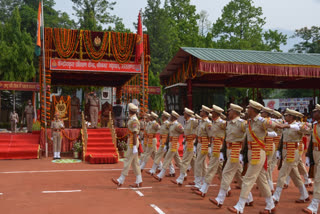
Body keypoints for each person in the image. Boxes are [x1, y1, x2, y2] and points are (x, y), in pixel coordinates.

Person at [229, 100, 281, 214]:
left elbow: (276, 125)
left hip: (258, 153)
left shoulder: (262, 121)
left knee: (248, 179)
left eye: (248, 108)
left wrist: (287, 125)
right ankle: (270, 205)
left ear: (253, 110)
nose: (247, 110)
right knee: (261, 180)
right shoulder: (249, 122)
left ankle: (240, 206)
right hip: (250, 153)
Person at [209, 104, 250, 206]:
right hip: (229, 150)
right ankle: (249, 198)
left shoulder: (242, 123)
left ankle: (220, 199)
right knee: (239, 174)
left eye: (230, 110)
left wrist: (242, 153)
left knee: (226, 173)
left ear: (235, 112)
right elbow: (226, 139)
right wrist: (223, 152)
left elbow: (249, 136)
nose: (228, 112)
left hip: (236, 151)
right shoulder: (229, 124)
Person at [273, 108, 310, 206]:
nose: (285, 116)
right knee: (295, 175)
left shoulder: (299, 125)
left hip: (293, 152)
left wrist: (288, 125)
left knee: (282, 173)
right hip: (286, 151)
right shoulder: (286, 125)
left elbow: (306, 129)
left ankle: (275, 197)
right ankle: (304, 195)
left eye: (287, 115)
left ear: (292, 117)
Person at [193, 104, 225, 197]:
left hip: (215, 146)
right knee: (217, 167)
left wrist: (211, 147)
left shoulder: (218, 123)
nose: (200, 112)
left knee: (211, 167)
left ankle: (201, 187)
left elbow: (212, 136)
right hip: (209, 145)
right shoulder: (212, 123)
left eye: (213, 112)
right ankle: (227, 189)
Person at [111, 103, 142, 187]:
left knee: (127, 161)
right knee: (135, 163)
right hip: (132, 141)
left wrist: (135, 146)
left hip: (133, 142)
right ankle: (139, 180)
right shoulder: (132, 119)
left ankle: (120, 180)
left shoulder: (134, 120)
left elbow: (135, 133)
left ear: (130, 111)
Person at [153, 110, 184, 181]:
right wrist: (166, 144)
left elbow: (182, 131)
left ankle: (160, 175)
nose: (170, 117)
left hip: (174, 144)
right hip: (170, 143)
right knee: (178, 160)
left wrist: (177, 136)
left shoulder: (177, 125)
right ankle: (184, 173)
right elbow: (168, 135)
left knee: (167, 158)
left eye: (171, 116)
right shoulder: (171, 125)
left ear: (173, 117)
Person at [171, 108, 198, 185]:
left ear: (187, 114)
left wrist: (195, 135)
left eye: (184, 113)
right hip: (187, 142)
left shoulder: (193, 121)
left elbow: (200, 125)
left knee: (185, 161)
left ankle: (180, 178)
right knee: (193, 163)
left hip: (190, 143)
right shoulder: (187, 122)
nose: (183, 114)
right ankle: (197, 180)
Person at [190, 105, 213, 190]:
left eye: (202, 111)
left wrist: (209, 146)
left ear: (205, 113)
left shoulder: (208, 123)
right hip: (200, 143)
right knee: (202, 164)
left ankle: (198, 183)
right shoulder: (201, 122)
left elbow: (210, 135)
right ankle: (203, 181)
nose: (200, 112)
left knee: (198, 163)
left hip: (204, 144)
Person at [303, 104, 320, 214]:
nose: (313, 113)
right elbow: (306, 133)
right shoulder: (314, 125)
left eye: (316, 111)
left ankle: (314, 205)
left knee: (318, 179)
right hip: (316, 153)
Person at [147, 111, 171, 175]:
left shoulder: (167, 124)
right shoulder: (164, 123)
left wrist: (167, 142)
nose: (161, 116)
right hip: (162, 141)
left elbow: (170, 132)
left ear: (165, 117)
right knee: (167, 156)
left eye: (162, 115)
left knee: (158, 155)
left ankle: (153, 170)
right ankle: (172, 171)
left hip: (164, 142)